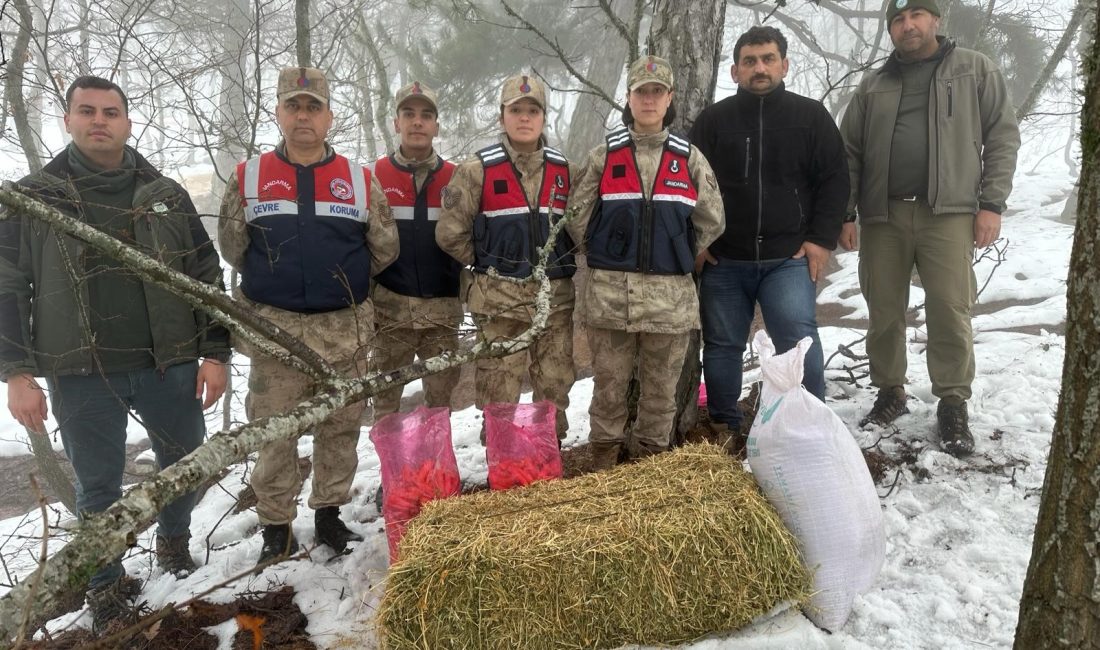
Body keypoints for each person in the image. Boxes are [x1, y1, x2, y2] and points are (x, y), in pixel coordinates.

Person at [0, 75, 230, 633]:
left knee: (183, 463)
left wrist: (215, 352)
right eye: (87, 111)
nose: (98, 120)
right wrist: (16, 371)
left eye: (110, 112)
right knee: (97, 485)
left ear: (128, 122)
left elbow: (204, 274)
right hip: (82, 372)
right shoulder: (34, 198)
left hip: (169, 362)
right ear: (69, 121)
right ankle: (105, 585)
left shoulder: (166, 195)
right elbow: (7, 283)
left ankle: (174, 544)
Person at [218, 67, 398, 563]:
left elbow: (384, 248)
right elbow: (233, 247)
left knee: (340, 428)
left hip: (345, 333)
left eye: (313, 107)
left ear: (328, 117)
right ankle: (277, 528)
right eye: (293, 106)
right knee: (275, 434)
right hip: (275, 334)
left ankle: (328, 517)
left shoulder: (359, 181)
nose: (303, 116)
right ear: (278, 113)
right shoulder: (249, 177)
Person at [838, 0, 1020, 456]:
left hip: (950, 213)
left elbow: (1002, 135)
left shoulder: (975, 70)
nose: (907, 25)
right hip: (884, 215)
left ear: (935, 19)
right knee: (883, 307)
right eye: (898, 20)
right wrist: (845, 213)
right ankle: (890, 391)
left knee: (949, 307)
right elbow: (849, 154)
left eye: (916, 15)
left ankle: (953, 401)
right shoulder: (873, 84)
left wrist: (991, 204)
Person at [689, 26, 850, 438]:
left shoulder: (810, 117)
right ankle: (726, 423)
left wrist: (819, 240)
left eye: (767, 59)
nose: (759, 68)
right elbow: (687, 184)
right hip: (725, 258)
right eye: (750, 61)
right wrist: (699, 243)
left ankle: (811, 419)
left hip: (787, 257)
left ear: (784, 65)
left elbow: (834, 179)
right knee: (723, 345)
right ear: (735, 70)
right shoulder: (714, 121)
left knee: (798, 339)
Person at [565, 55, 723, 469]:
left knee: (659, 393)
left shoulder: (689, 158)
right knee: (609, 389)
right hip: (610, 301)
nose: (649, 100)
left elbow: (712, 220)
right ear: (629, 98)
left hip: (669, 304)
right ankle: (603, 463)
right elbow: (576, 219)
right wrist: (606, 251)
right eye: (641, 92)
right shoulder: (604, 156)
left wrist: (674, 250)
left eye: (657, 92)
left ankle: (648, 468)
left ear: (669, 98)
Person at [435, 74, 576, 442]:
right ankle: (504, 464)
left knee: (555, 386)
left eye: (533, 110)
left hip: (555, 303)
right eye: (516, 110)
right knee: (499, 391)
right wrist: (491, 265)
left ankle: (548, 457)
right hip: (499, 307)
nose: (524, 118)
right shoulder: (476, 170)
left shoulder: (566, 171)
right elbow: (450, 233)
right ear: (502, 117)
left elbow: (581, 232)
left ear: (544, 117)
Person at [370, 81, 461, 416]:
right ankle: (393, 470)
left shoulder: (457, 178)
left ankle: (435, 468)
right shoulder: (374, 176)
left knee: (440, 404)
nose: (417, 122)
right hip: (389, 315)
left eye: (426, 115)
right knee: (385, 404)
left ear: (436, 125)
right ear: (396, 123)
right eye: (408, 114)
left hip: (442, 315)